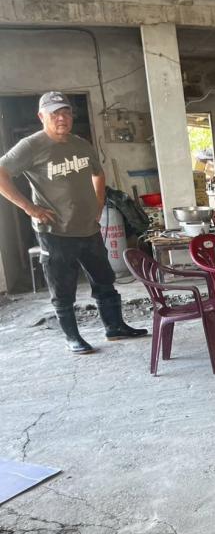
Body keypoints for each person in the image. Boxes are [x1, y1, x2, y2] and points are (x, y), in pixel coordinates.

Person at [0, 92, 147, 354]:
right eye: (54, 113)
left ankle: (115, 327)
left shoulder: (81, 144)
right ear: (41, 116)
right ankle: (72, 338)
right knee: (63, 288)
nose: (61, 118)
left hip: (88, 228)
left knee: (105, 280)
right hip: (55, 232)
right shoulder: (31, 146)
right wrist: (29, 208)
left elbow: (98, 174)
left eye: (66, 112)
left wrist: (98, 204)